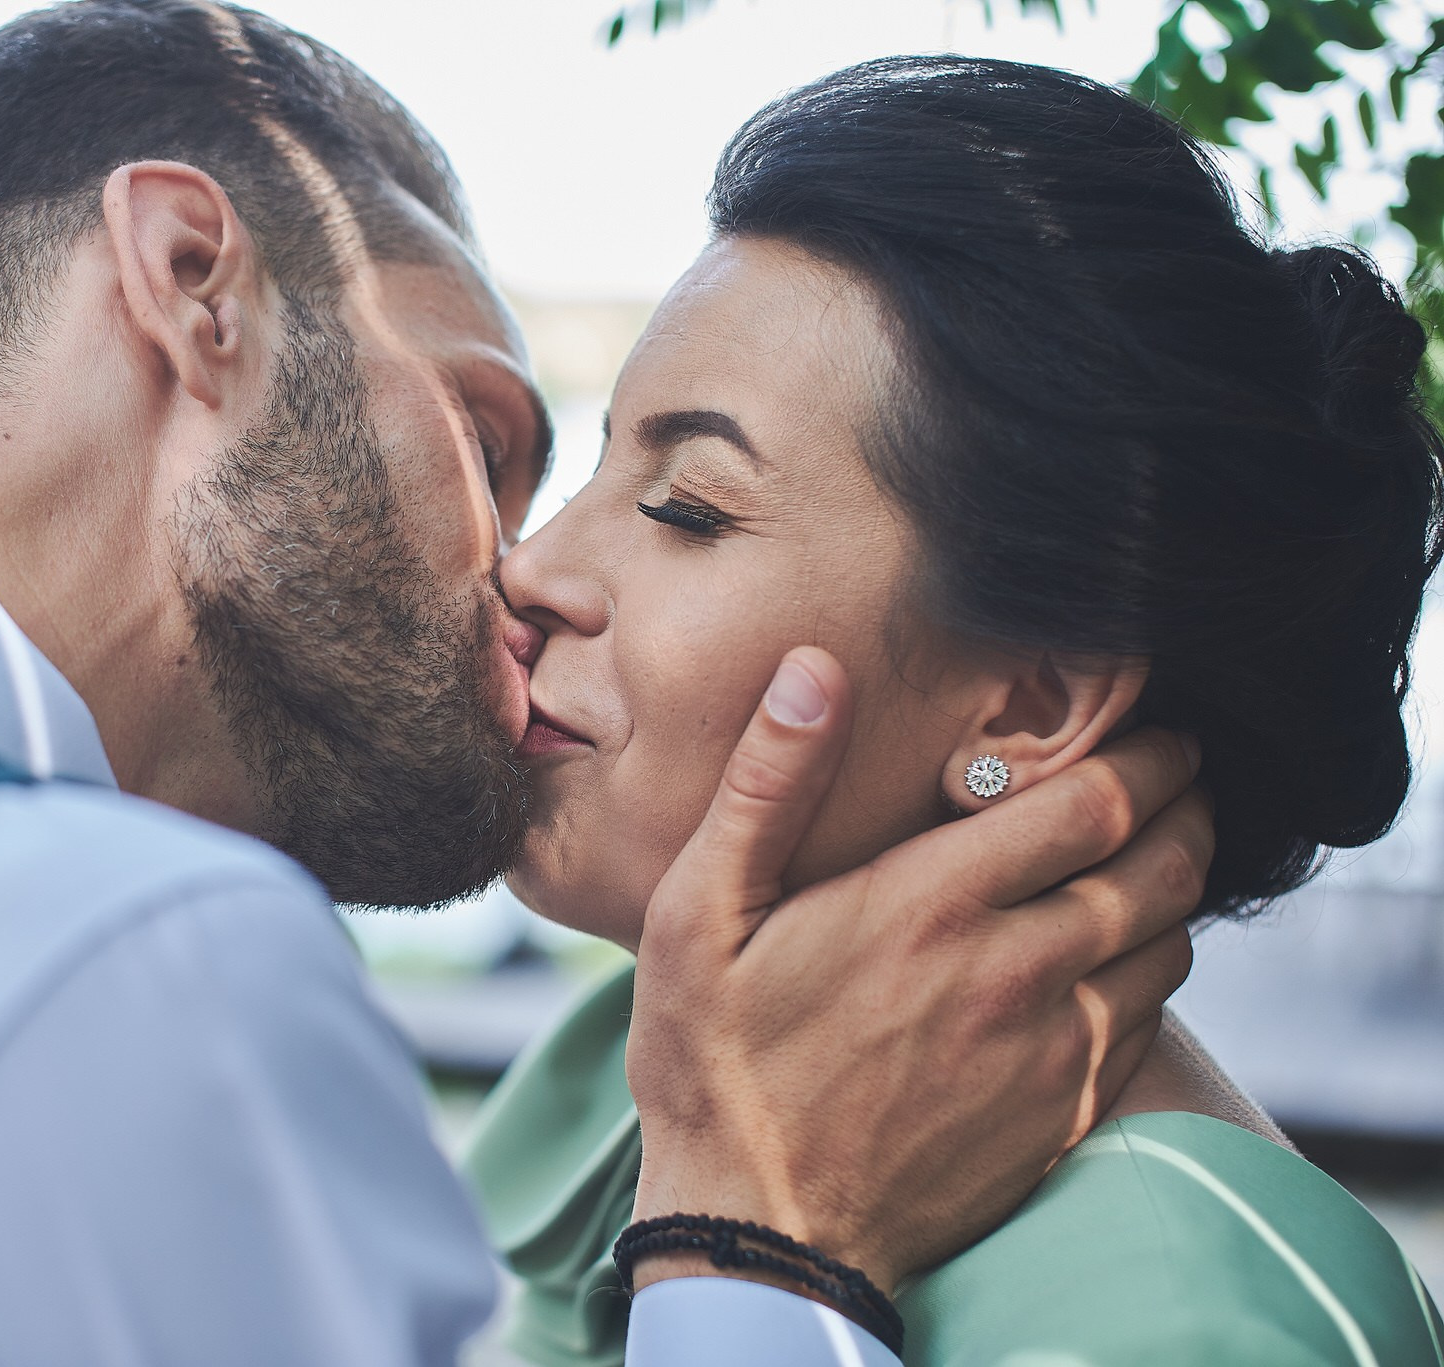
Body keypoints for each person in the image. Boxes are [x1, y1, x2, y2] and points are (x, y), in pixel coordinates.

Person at [0, 14, 1203, 1367]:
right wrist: (764, 1244)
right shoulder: (112, 957)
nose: (519, 574)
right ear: (198, 287)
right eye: (487, 443)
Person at [463, 56, 1444, 1367]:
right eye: (594, 470)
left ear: (1031, 707)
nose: (531, 566)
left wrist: (744, 1252)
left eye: (685, 508)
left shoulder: (1188, 1321)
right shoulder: (639, 1063)